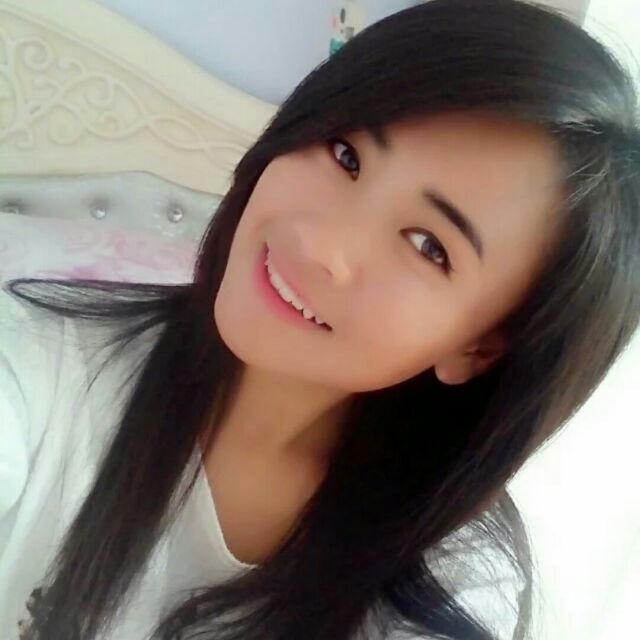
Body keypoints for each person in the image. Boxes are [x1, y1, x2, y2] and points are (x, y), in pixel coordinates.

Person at [1, 0, 639, 638]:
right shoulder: (37, 364)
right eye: (346, 155)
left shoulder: (452, 580)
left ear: (479, 348)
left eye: (428, 246)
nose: (320, 246)